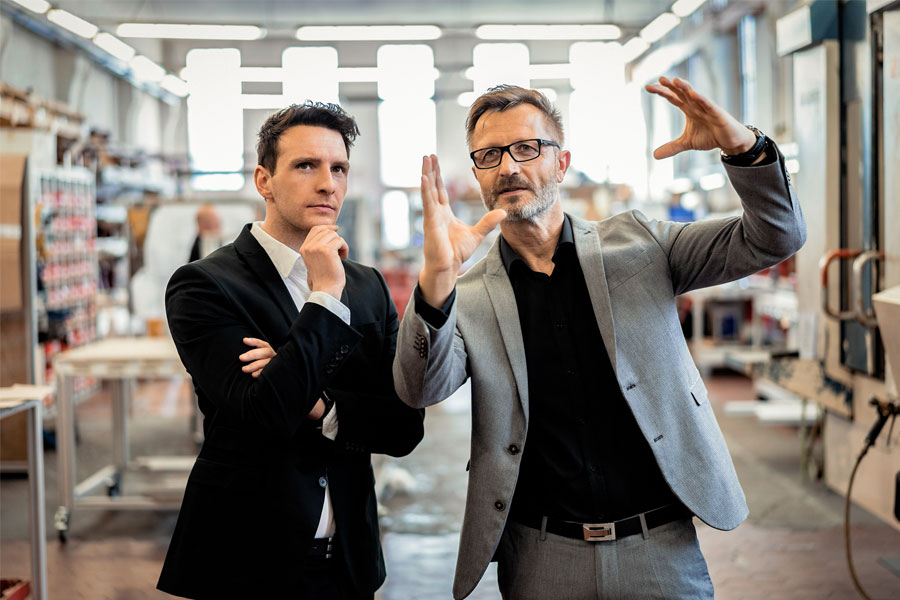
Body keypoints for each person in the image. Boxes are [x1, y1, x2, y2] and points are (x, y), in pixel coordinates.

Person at [393, 79, 805, 599]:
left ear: (561, 163)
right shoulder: (467, 295)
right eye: (490, 155)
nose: (509, 167)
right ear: (477, 173)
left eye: (526, 148)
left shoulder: (642, 245)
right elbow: (419, 390)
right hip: (542, 556)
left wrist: (743, 147)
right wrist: (436, 282)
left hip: (659, 547)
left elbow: (776, 236)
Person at [158, 101, 425, 599]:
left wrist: (320, 404)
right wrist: (323, 296)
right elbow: (266, 412)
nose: (328, 183)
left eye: (338, 168)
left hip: (350, 560)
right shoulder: (205, 286)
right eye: (306, 165)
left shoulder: (366, 287)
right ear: (265, 180)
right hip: (247, 561)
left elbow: (404, 427)